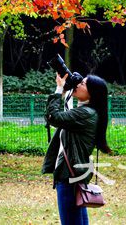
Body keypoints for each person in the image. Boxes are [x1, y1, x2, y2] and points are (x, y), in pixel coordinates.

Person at [42, 73, 111, 225]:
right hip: (75, 175)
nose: (78, 84)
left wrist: (59, 88)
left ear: (92, 93)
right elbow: (62, 117)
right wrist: (66, 90)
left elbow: (53, 117)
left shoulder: (85, 114)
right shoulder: (87, 112)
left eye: (83, 84)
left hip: (69, 176)